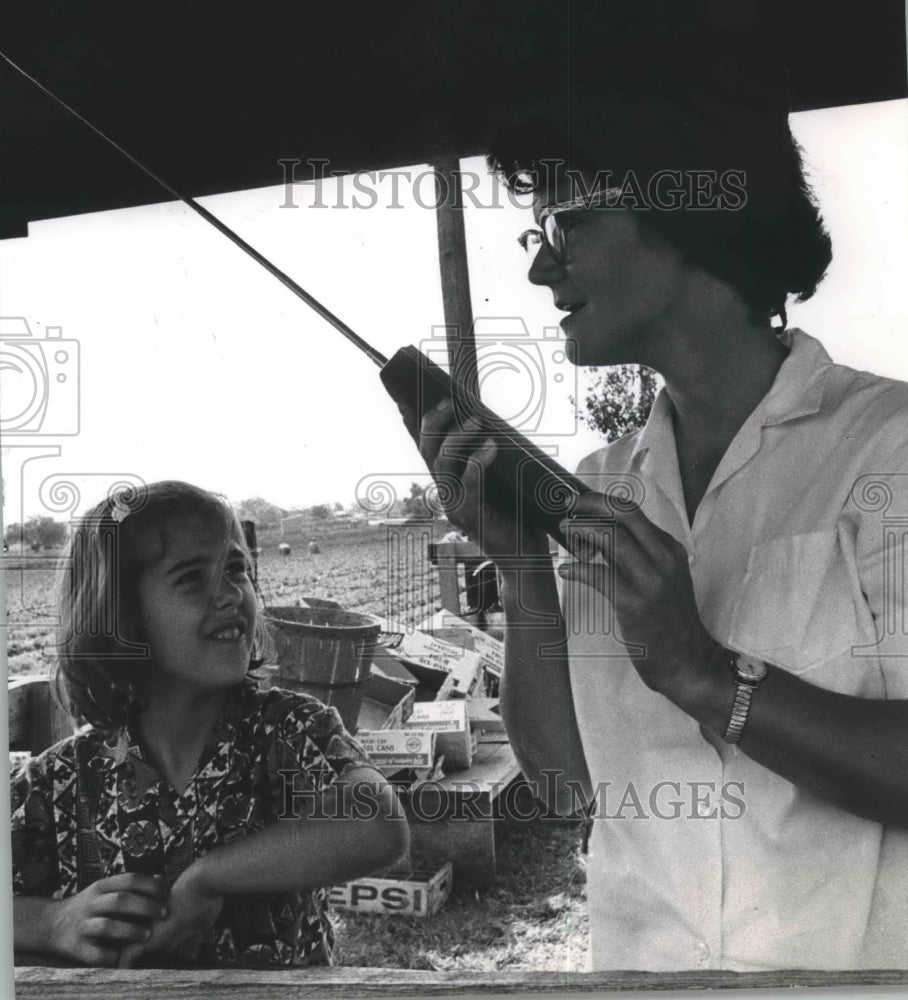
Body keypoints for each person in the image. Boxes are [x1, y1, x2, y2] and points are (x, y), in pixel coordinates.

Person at [410, 87, 908, 971]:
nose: (541, 270)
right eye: (539, 237)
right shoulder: (601, 488)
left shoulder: (886, 451)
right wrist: (522, 566)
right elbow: (566, 785)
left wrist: (704, 673)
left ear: (688, 213)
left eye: (566, 224)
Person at [11, 480, 408, 968]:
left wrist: (210, 878)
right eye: (192, 578)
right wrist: (52, 923)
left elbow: (379, 825)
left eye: (236, 570)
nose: (229, 594)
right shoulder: (59, 783)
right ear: (123, 620)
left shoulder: (289, 731)